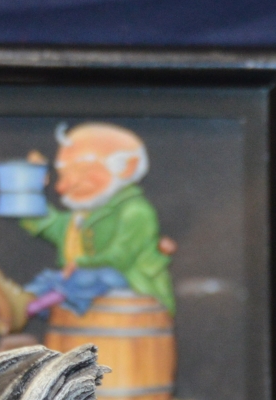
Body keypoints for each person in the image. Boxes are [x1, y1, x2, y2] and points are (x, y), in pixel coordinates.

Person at [16, 122, 176, 317]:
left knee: (92, 277)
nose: (61, 187)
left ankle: (34, 306)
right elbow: (43, 222)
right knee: (51, 279)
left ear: (127, 167)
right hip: (84, 287)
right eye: (63, 174)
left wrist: (80, 263)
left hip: (135, 287)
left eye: (80, 170)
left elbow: (119, 259)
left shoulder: (136, 211)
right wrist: (30, 183)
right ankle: (15, 306)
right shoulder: (81, 217)